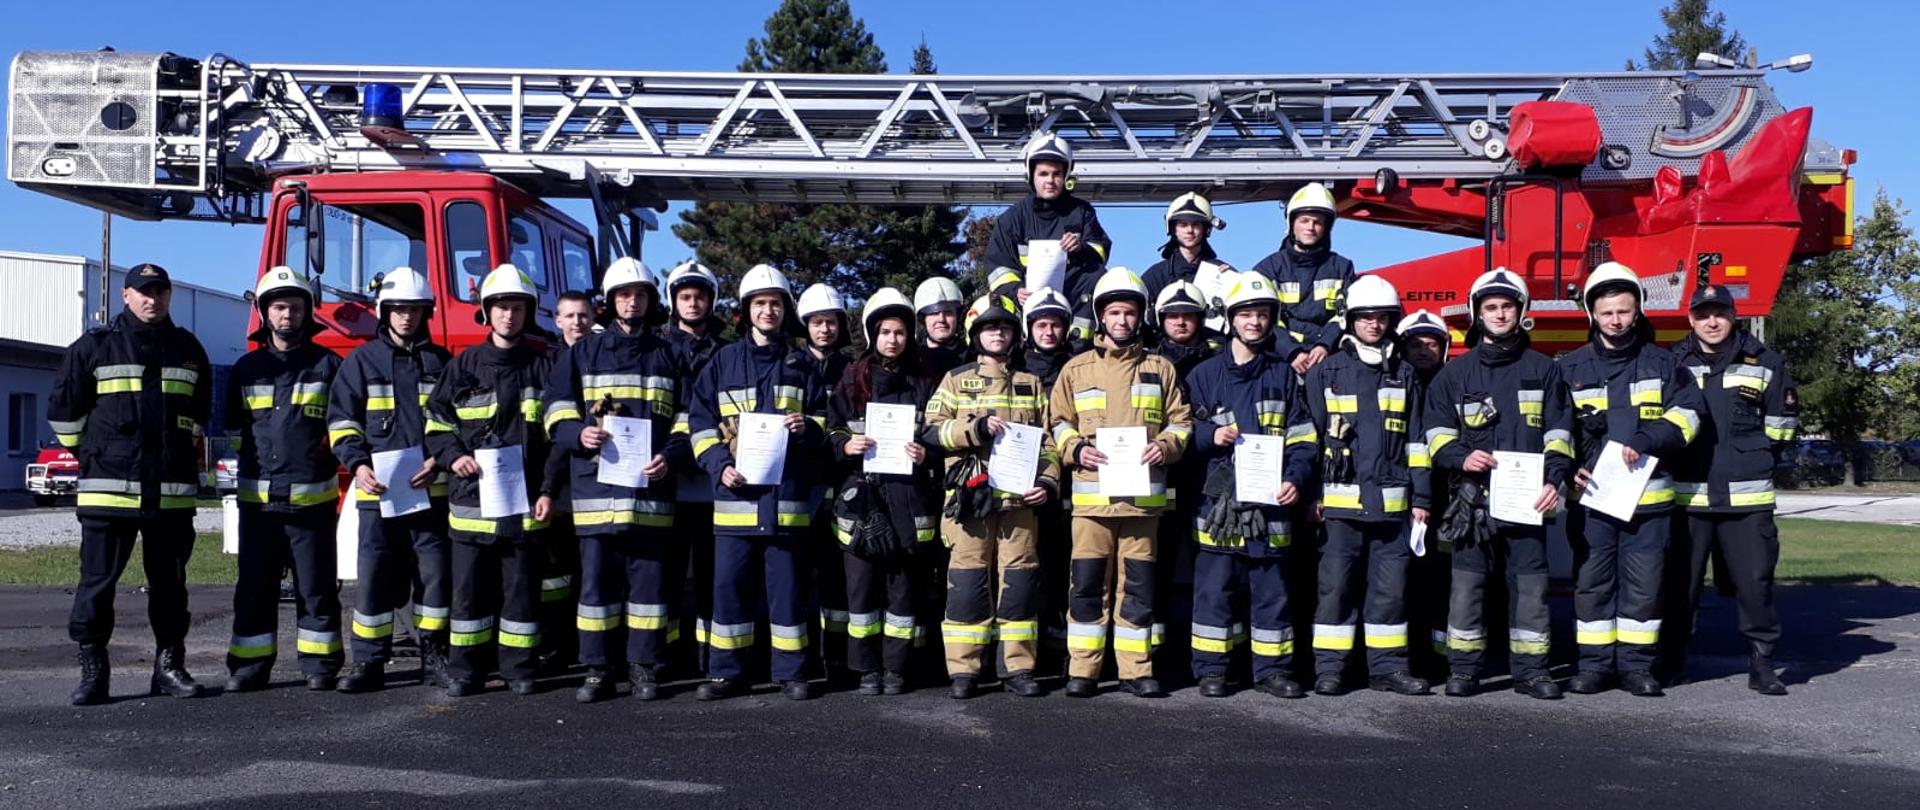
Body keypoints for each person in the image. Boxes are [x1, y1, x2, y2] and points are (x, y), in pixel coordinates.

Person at [50, 263, 212, 705]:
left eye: (160, 292)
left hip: (171, 496)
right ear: (126, 296)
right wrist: (92, 455)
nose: (151, 299)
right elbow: (65, 416)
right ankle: (93, 672)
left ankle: (169, 667)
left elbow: (197, 416)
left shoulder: (187, 349)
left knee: (170, 588)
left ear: (169, 296)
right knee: (97, 585)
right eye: (143, 292)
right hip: (108, 491)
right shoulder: (93, 348)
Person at [542, 258, 688, 703]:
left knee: (648, 589)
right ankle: (597, 669)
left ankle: (645, 667)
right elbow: (556, 409)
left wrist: (671, 456)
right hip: (596, 492)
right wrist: (578, 434)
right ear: (610, 302)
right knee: (596, 590)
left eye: (640, 294)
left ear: (650, 300)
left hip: (650, 490)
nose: (632, 301)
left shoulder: (669, 355)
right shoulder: (581, 353)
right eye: (624, 294)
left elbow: (687, 418)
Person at [1422, 267, 1571, 700]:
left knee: (1531, 590)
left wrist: (1555, 479)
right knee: (1467, 589)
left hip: (1528, 502)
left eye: (1507, 306)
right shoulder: (1455, 374)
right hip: (1474, 503)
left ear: (1520, 311)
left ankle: (1532, 672)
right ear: (1477, 314)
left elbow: (1560, 433)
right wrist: (1461, 456)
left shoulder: (1545, 371)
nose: (1500, 313)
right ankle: (1464, 670)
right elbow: (1435, 434)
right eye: (1491, 307)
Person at [1559, 262, 1704, 698]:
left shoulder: (1665, 364)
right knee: (1592, 586)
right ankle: (1594, 666)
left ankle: (1638, 668)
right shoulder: (1571, 368)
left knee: (1644, 587)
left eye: (1624, 311)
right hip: (1593, 500)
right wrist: (1567, 468)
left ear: (1638, 311)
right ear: (1592, 315)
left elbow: (1690, 416)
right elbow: (1556, 429)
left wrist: (1646, 437)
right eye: (1607, 313)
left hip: (1650, 501)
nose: (1616, 320)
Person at [687, 264, 830, 701]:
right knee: (729, 591)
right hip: (735, 499)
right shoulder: (723, 362)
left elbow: (826, 423)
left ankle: (792, 672)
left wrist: (808, 427)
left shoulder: (802, 364)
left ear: (786, 310)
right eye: (759, 303)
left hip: (786, 504)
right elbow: (699, 423)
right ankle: (727, 673)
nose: (767, 310)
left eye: (775, 303)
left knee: (787, 592)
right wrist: (718, 466)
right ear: (746, 310)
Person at [1048, 267, 1193, 698]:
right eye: (1114, 312)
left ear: (1140, 317)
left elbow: (1181, 423)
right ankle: (1084, 671)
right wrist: (1075, 448)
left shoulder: (1160, 368)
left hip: (1142, 504)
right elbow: (1056, 422)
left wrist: (1166, 447)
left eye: (1129, 313)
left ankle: (1135, 670)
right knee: (1088, 586)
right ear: (1101, 317)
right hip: (1091, 503)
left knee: (1137, 589)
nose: (1122, 321)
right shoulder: (1075, 370)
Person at [1181, 272, 1318, 699]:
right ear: (1231, 319)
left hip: (1272, 503)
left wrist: (1295, 479)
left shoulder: (1283, 375)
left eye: (1262, 315)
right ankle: (1212, 670)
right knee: (1214, 593)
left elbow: (1303, 437)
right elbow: (1180, 431)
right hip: (1217, 505)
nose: (1255, 323)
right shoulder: (1202, 375)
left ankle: (1273, 671)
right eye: (1247, 314)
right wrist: (1209, 437)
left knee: (1272, 593)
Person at [424, 264, 555, 697]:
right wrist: (454, 456)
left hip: (525, 501)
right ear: (487, 312)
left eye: (517, 307)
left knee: (521, 592)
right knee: (468, 596)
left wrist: (549, 489)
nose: (509, 315)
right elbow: (437, 423)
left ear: (528, 312)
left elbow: (558, 436)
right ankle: (466, 670)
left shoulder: (545, 367)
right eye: (500, 307)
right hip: (471, 505)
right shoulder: (463, 367)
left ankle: (518, 667)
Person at [925, 293, 1061, 699]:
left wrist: (1049, 482)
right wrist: (974, 429)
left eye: (1003, 326)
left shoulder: (1030, 383)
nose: (997, 332)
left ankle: (1017, 668)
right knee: (967, 584)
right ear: (975, 333)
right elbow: (931, 431)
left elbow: (1050, 443)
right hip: (969, 501)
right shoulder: (955, 379)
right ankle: (964, 670)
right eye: (988, 326)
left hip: (1019, 504)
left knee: (1019, 584)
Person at [1661, 285, 1795, 695]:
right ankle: (1674, 659)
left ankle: (1762, 663)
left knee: (1756, 583)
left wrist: (1746, 459)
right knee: (1678, 585)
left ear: (1733, 316)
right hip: (1687, 496)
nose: (1712, 321)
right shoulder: (1671, 363)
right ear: (1691, 320)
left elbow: (1781, 429)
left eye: (1719, 313)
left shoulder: (1766, 362)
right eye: (1703, 315)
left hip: (1747, 497)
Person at [1303, 275, 1432, 697]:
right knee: (1335, 590)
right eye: (1365, 318)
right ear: (1350, 321)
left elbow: (1417, 442)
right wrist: (1313, 495)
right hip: (1339, 510)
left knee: (1389, 593)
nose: (1374, 325)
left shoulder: (1406, 373)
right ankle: (1330, 668)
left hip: (1393, 508)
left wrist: (1422, 498)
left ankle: (1388, 669)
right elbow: (1311, 440)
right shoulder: (1326, 374)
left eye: (1381, 318)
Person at [331, 267, 455, 693]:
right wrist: (357, 465)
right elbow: (342, 424)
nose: (406, 317)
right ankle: (368, 662)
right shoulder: (360, 362)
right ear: (385, 311)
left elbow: (457, 424)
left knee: (435, 578)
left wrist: (440, 458)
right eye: (399, 309)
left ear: (426, 313)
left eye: (415, 310)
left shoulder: (443, 364)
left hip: (431, 495)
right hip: (377, 494)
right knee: (375, 579)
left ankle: (434, 654)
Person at [224, 267, 346, 692]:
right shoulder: (245, 369)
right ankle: (250, 666)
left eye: (295, 307)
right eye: (278, 307)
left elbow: (345, 425)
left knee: (316, 588)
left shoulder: (330, 366)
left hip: (311, 504)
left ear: (306, 312)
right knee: (254, 588)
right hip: (258, 506)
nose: (287, 315)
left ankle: (320, 664)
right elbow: (234, 431)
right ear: (264, 313)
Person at [827, 287, 942, 695]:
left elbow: (937, 432)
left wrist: (924, 450)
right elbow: (833, 426)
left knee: (904, 591)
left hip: (908, 500)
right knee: (861, 591)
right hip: (863, 501)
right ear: (872, 335)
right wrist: (845, 445)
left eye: (899, 332)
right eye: (885, 332)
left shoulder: (925, 380)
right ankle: (866, 670)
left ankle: (896, 668)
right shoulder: (852, 378)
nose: (892, 339)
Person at [1148, 279, 1223, 674]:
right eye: (1173, 316)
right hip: (1158, 474)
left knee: (1202, 568)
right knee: (1157, 566)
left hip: (1205, 476)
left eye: (1188, 316)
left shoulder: (1219, 358)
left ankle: (1198, 652)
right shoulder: (1148, 361)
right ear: (1161, 320)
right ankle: (1161, 654)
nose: (1180, 322)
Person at [660, 261, 729, 673]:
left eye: (699, 296)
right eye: (685, 297)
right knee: (666, 574)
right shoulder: (656, 348)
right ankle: (669, 655)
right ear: (673, 301)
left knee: (709, 573)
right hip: (666, 476)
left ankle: (706, 656)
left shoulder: (726, 351)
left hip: (710, 477)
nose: (692, 303)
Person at [986, 132, 1113, 341]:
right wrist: (1015, 290)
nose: (1050, 181)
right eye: (1043, 174)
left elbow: (1100, 253)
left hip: (1077, 324)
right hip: (1028, 311)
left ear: (1066, 177)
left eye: (1057, 174)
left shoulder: (1082, 212)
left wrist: (1082, 248)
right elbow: (998, 268)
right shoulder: (1012, 219)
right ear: (1031, 176)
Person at [533, 290, 595, 675]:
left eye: (583, 316)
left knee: (594, 572)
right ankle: (558, 644)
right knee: (557, 575)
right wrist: (547, 488)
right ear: (556, 320)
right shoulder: (546, 365)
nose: (577, 323)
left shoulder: (605, 360)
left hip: (601, 483)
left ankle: (593, 647)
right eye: (569, 316)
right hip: (559, 484)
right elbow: (549, 434)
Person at [1017, 286, 1079, 671]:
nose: (1049, 332)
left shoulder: (1079, 365)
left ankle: (1059, 649)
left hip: (1072, 481)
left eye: (1056, 325)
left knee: (1063, 568)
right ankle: (1028, 650)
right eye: (1041, 324)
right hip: (1024, 484)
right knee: (1027, 567)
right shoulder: (1016, 368)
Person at [796, 282, 855, 673]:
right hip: (800, 483)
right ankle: (802, 655)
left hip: (844, 482)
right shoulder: (790, 366)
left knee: (838, 575)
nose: (824, 330)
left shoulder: (853, 371)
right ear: (806, 326)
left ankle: (835, 657)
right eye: (817, 322)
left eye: (831, 322)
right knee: (801, 574)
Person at [1397, 308, 1454, 680]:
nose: (1423, 351)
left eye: (1431, 344)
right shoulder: (1390, 382)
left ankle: (1436, 659)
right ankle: (1407, 654)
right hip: (1400, 498)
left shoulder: (1453, 383)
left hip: (1445, 498)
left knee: (1440, 583)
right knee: (1398, 584)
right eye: (1415, 344)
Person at [1247, 183, 1355, 376]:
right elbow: (1267, 319)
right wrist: (1292, 352)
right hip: (1281, 359)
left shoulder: (1342, 267)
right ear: (1292, 224)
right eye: (1304, 221)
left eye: (1318, 222)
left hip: (1328, 356)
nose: (1311, 228)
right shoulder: (1268, 269)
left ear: (1327, 227)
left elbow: (1344, 314)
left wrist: (1324, 345)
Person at [1142, 192, 1228, 304]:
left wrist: (1227, 281)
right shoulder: (1157, 275)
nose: (1190, 230)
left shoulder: (1220, 271)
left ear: (1206, 229)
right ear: (1173, 229)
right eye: (1183, 225)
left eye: (1196, 225)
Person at [915, 276, 971, 377]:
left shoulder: (972, 358)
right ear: (923, 319)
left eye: (948, 313)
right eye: (933, 313)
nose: (941, 319)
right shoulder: (912, 359)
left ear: (958, 317)